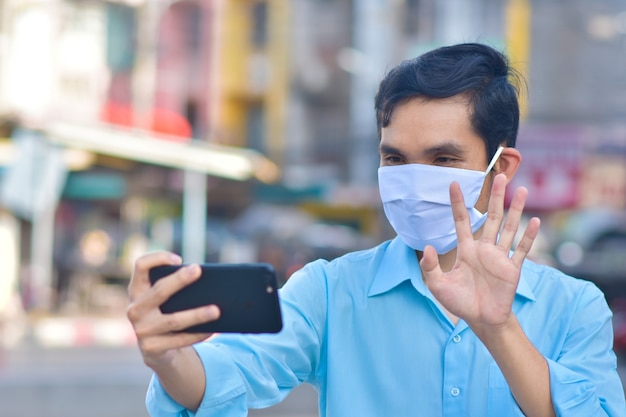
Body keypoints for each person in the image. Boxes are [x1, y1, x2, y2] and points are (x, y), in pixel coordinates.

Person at [127, 43, 626, 416]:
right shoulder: (330, 291)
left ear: (503, 166)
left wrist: (499, 328)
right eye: (395, 159)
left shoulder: (574, 309)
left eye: (443, 159)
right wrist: (167, 356)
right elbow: (222, 376)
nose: (413, 182)